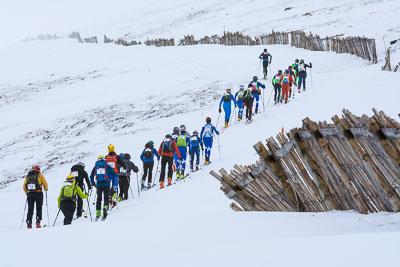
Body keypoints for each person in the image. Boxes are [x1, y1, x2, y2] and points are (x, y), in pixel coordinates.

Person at [90, 155, 118, 220]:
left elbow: (91, 176)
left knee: (99, 198)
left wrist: (93, 182)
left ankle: (98, 212)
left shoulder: (96, 167)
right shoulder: (107, 166)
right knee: (106, 198)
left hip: (99, 185)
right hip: (107, 184)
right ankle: (105, 207)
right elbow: (114, 174)